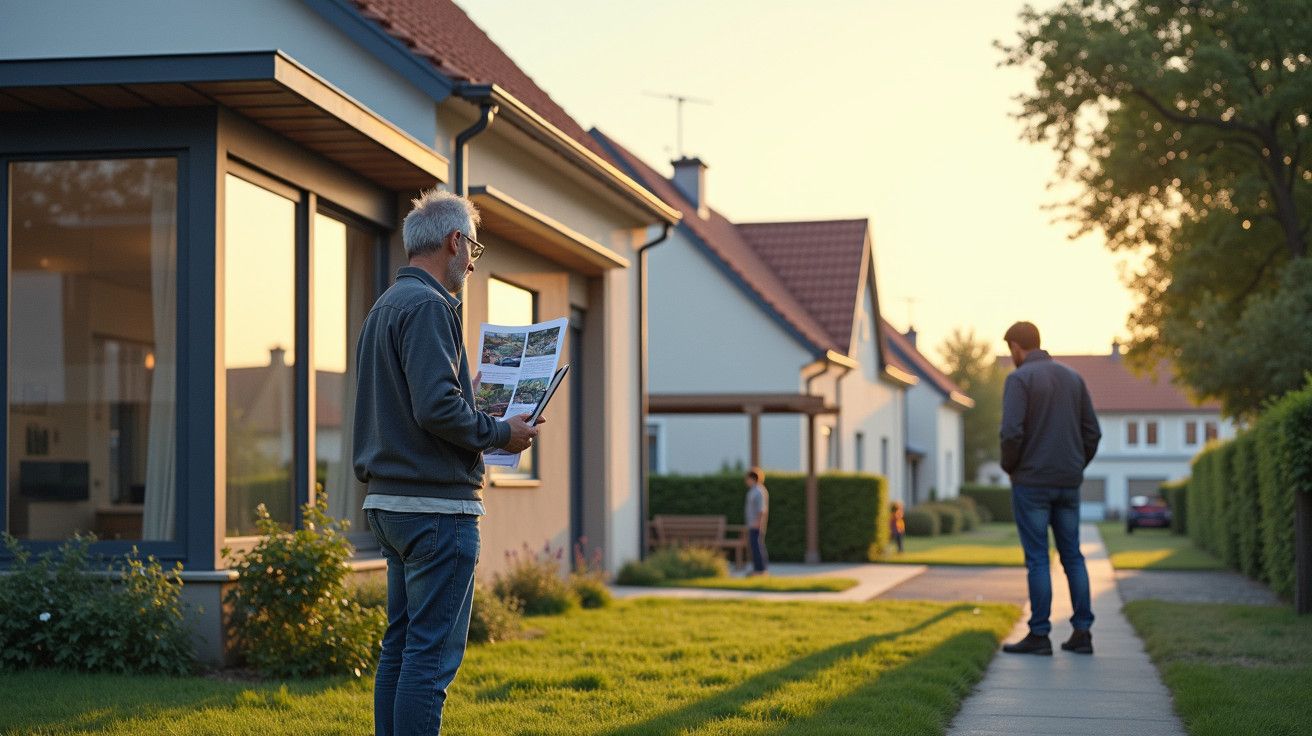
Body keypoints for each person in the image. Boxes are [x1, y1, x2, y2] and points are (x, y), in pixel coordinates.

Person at [353, 189, 540, 735]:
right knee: (429, 660)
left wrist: (468, 395)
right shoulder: (432, 306)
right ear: (455, 242)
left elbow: (419, 401)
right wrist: (501, 433)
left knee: (402, 648)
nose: (473, 264)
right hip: (436, 508)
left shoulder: (383, 307)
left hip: (390, 504)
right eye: (474, 250)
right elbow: (435, 408)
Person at [999, 321, 1101, 656]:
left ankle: (1040, 635)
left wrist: (1010, 467)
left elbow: (1011, 432)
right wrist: (1074, 465)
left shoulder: (1018, 379)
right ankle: (1082, 633)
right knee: (1073, 555)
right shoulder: (1074, 378)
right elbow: (1093, 433)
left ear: (1016, 347)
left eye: (1009, 350)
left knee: (1038, 559)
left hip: (1031, 482)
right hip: (1068, 482)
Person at [744, 468, 770, 575]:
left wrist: (758, 522)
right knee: (754, 546)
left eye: (748, 478)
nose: (746, 481)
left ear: (752, 478)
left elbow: (761, 509)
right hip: (752, 523)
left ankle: (761, 569)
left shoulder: (759, 491)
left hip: (756, 524)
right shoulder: (753, 490)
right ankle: (757, 568)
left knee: (757, 546)